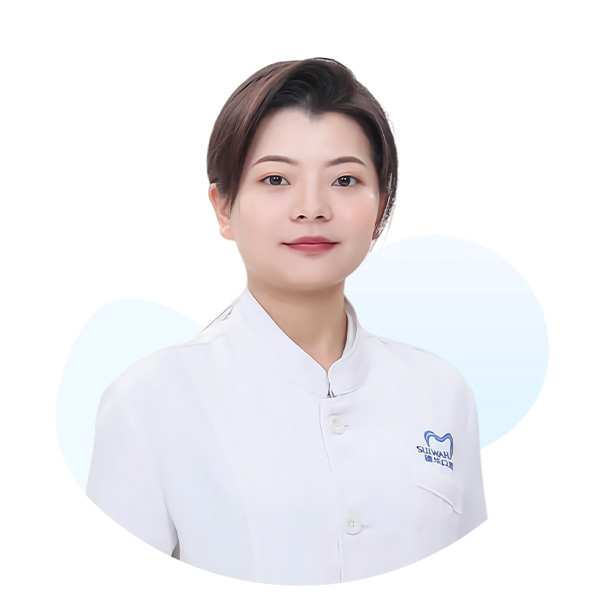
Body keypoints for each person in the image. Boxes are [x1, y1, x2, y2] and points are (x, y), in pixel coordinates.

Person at [86, 57, 487, 585]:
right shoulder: (149, 400)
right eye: (276, 178)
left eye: (345, 179)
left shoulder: (441, 391)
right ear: (223, 207)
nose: (312, 208)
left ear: (380, 209)